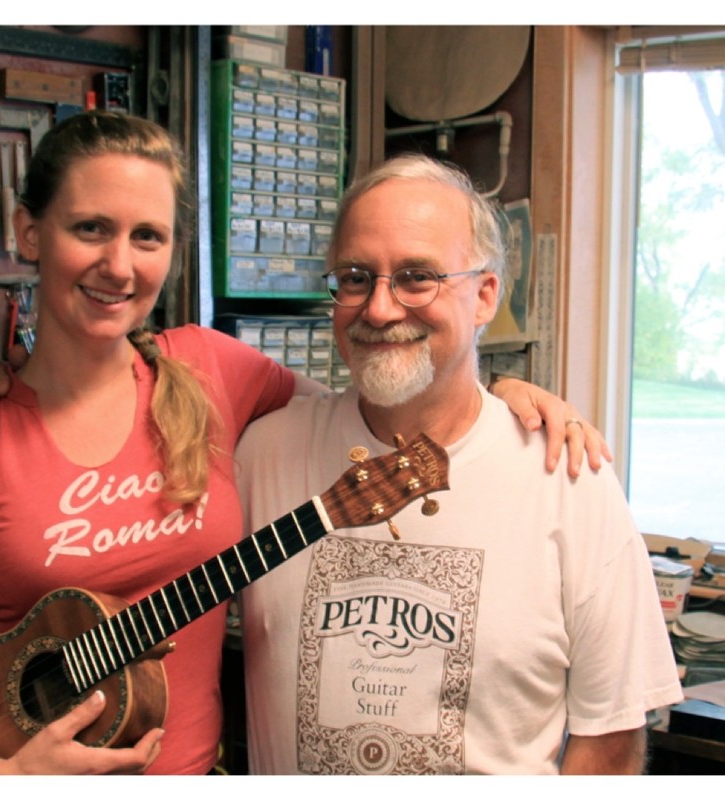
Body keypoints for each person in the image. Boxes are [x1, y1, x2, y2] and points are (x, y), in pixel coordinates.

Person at [0, 110, 605, 777]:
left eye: (148, 236)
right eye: (90, 228)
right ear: (30, 232)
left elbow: (381, 400)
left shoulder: (211, 372)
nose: (119, 265)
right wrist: (2, 777)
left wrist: (499, 393)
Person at [233, 153, 683, 775]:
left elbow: (609, 738)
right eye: (357, 277)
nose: (381, 309)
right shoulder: (262, 455)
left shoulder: (570, 481)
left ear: (485, 295)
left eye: (417, 277)